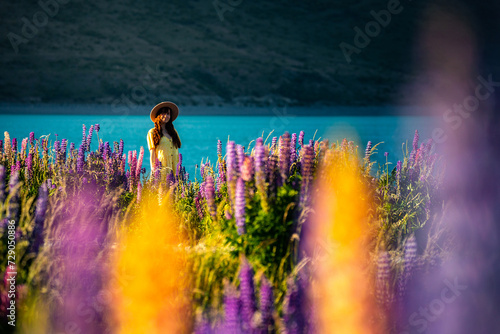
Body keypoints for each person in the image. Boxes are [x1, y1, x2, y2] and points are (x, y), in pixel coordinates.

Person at [147, 101, 182, 181]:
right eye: (163, 113)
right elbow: (152, 152)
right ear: (158, 115)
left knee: (175, 191)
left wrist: (179, 167)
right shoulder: (152, 132)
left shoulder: (173, 132)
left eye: (168, 114)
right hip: (162, 168)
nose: (166, 116)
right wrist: (153, 169)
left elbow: (177, 149)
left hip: (175, 167)